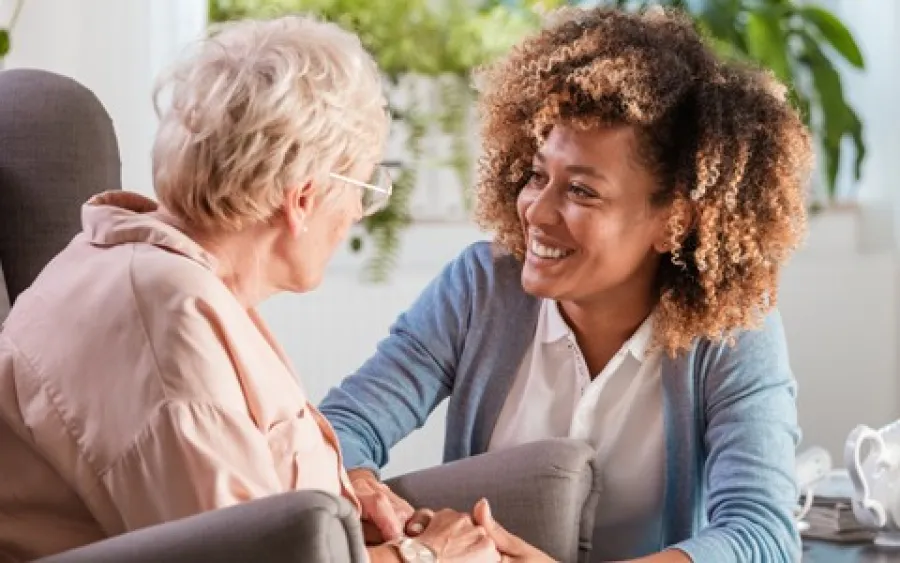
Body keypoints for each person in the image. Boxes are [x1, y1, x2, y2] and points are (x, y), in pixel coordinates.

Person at [320, 6, 812, 563]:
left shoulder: (731, 330)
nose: (536, 210)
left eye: (582, 191)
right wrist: (360, 486)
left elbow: (762, 536)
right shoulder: (480, 289)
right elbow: (342, 427)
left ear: (674, 221)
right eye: (538, 175)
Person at [0, 16, 500, 563]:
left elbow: (246, 506)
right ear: (303, 199)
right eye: (362, 186)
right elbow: (239, 554)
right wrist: (424, 556)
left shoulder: (150, 272)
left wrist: (338, 505)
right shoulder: (169, 324)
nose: (359, 211)